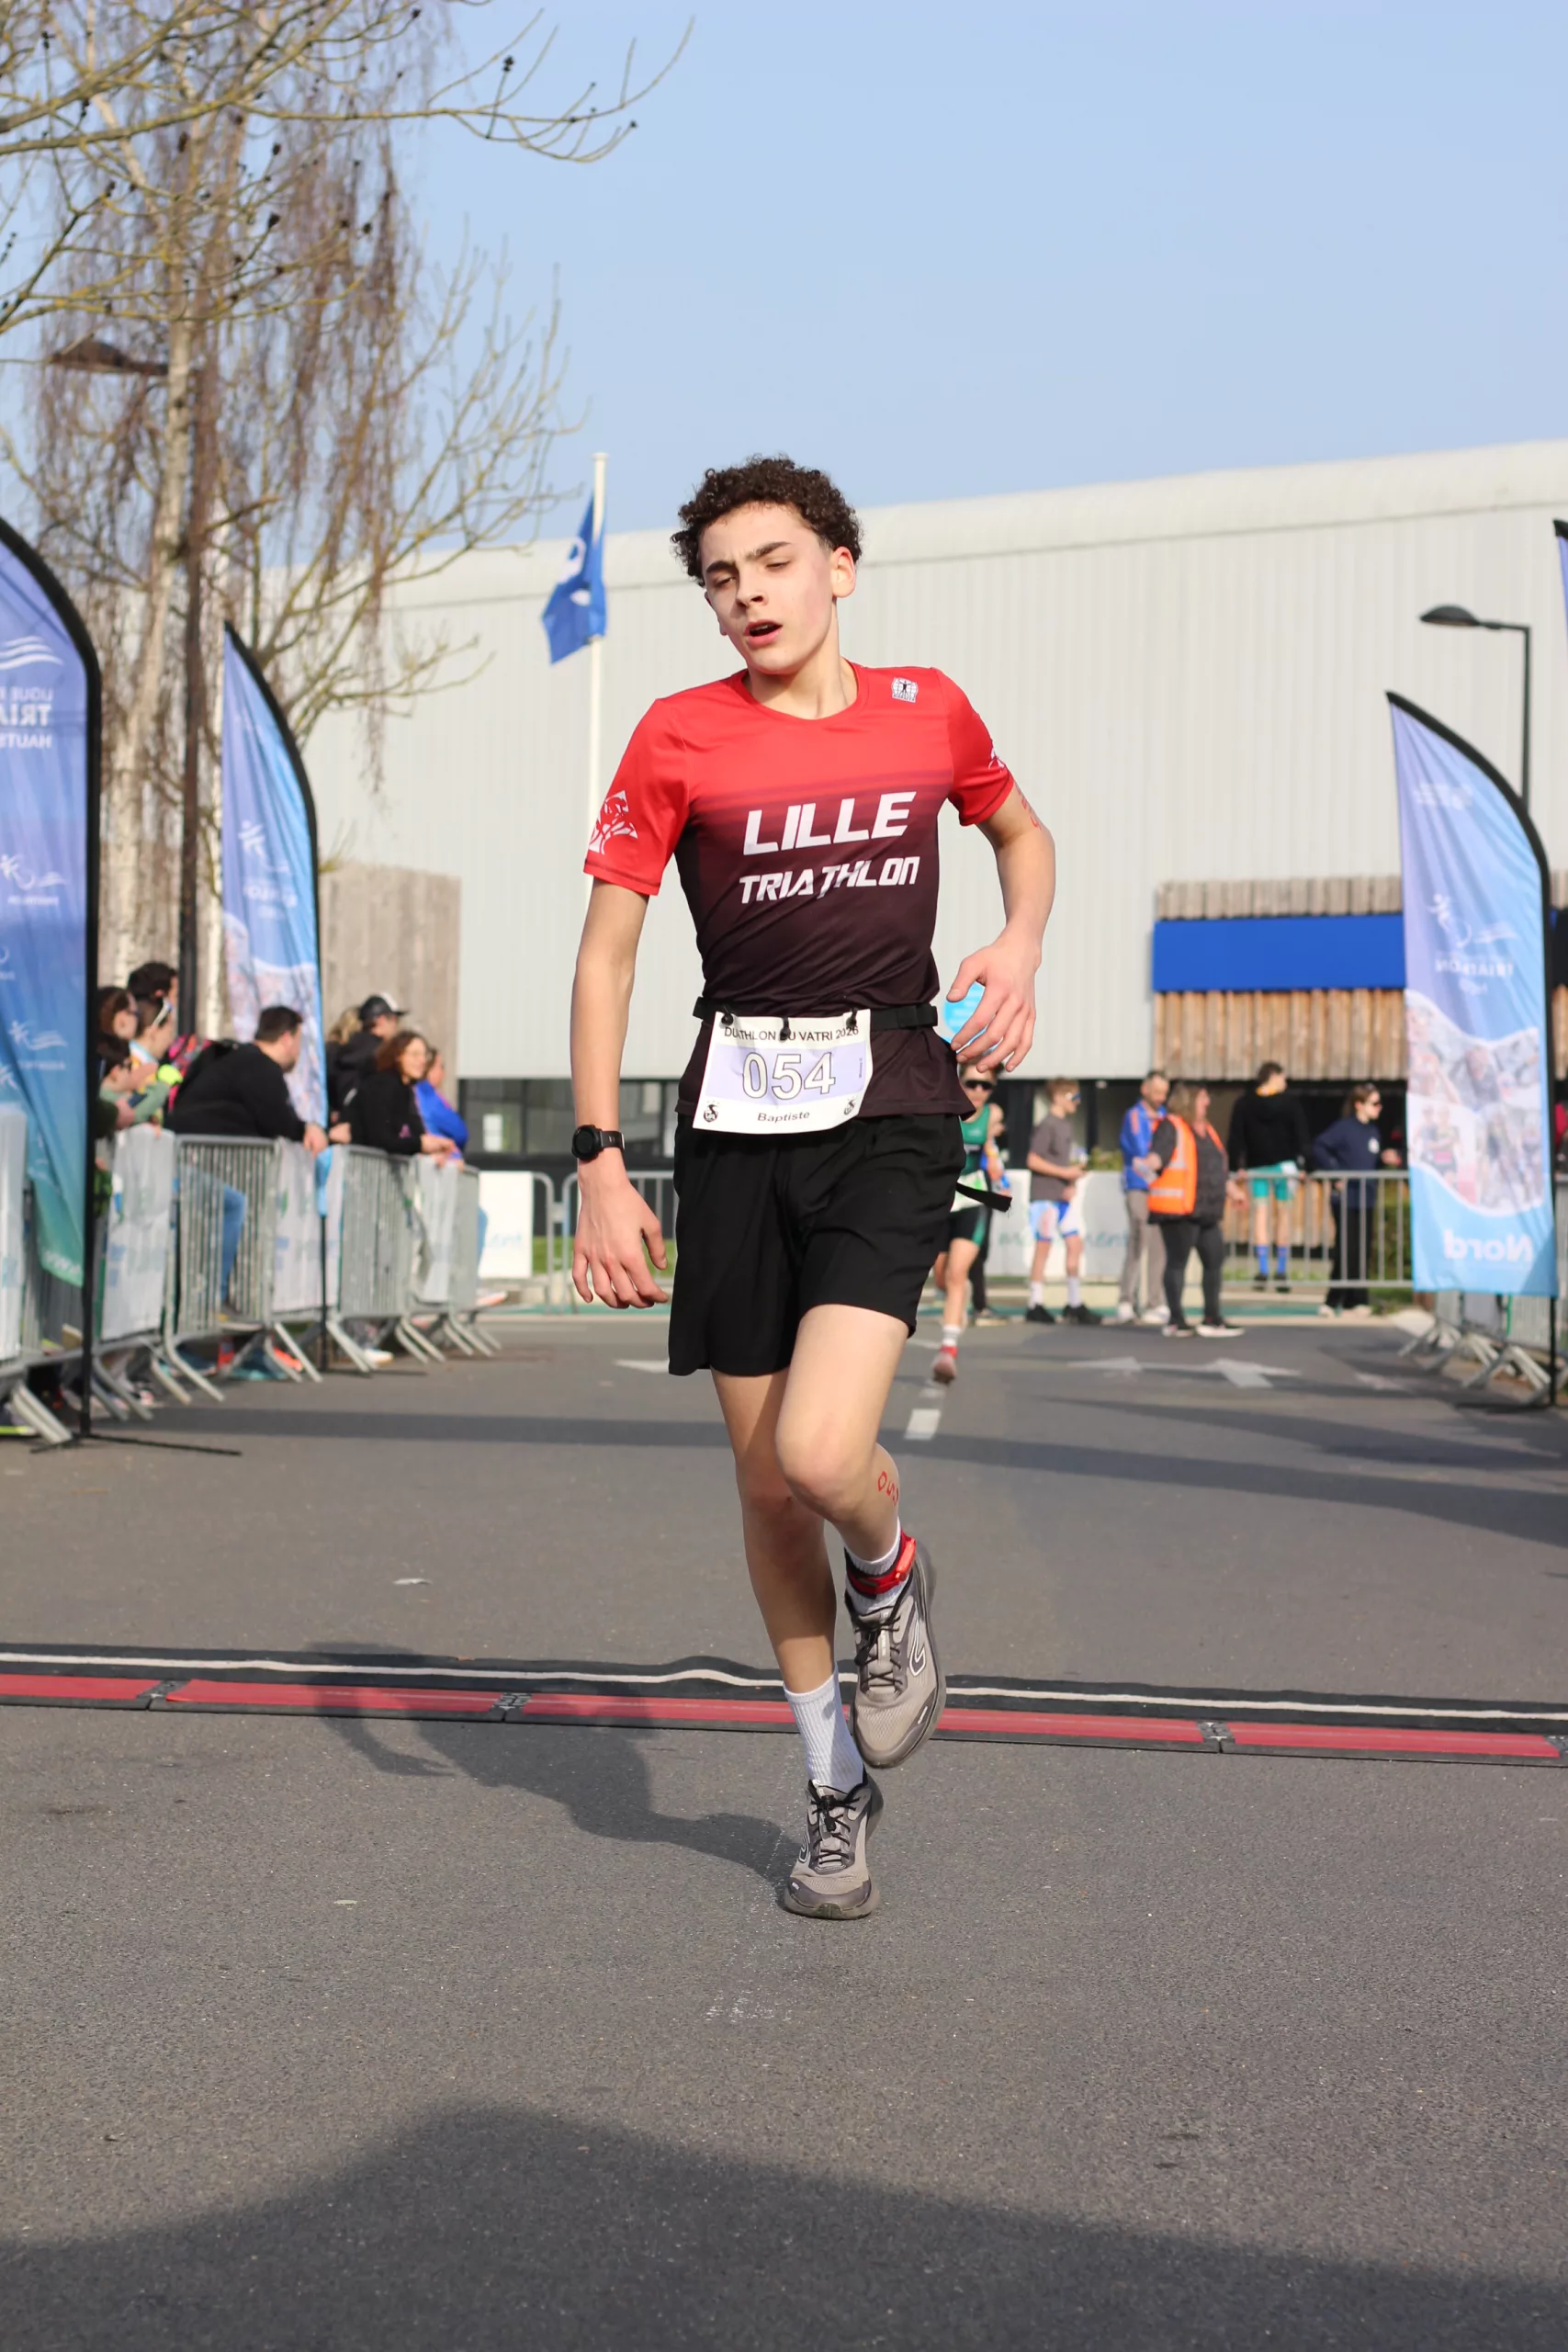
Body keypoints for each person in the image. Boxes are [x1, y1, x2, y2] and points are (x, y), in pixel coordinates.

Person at [570, 455, 1054, 1921]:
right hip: (733, 1121)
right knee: (765, 1486)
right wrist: (597, 1160)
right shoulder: (675, 735)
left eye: (772, 563)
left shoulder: (926, 710)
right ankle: (833, 1787)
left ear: (838, 567)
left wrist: (1016, 940)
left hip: (890, 1102)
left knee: (824, 1453)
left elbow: (1020, 834)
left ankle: (889, 1580)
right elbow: (605, 956)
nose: (746, 596)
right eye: (720, 578)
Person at [930, 1069, 1005, 1382]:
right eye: (971, 1083)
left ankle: (948, 1350)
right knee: (942, 1278)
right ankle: (957, 1303)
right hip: (941, 1199)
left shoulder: (992, 1115)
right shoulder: (944, 1108)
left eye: (985, 1085)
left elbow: (989, 1148)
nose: (978, 1090)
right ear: (958, 1083)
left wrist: (999, 1175)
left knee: (957, 1273)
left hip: (973, 1199)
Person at [1312, 1082, 1400, 1317]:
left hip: (1366, 1198)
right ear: (1359, 1105)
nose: (1379, 1108)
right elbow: (1320, 1147)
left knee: (1362, 1250)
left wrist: (1384, 1159)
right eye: (1374, 1103)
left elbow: (1368, 1162)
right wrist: (1335, 1173)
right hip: (1347, 1199)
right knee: (1346, 1249)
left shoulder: (1373, 1131)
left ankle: (1356, 1300)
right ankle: (1333, 1300)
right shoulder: (1344, 1128)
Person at [1227, 1060, 1310, 1293]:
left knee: (1260, 1215)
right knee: (1284, 1215)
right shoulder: (1290, 1103)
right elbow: (1301, 1134)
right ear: (1273, 1076)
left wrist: (1235, 1165)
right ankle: (1281, 1269)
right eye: (1283, 1078)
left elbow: (1236, 1137)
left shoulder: (1244, 1103)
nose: (1285, 1083)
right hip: (1284, 1167)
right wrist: (1306, 1163)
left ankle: (1263, 1269)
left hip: (1257, 1167)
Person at [1025, 1079, 1100, 1326]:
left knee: (1075, 1244)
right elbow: (1033, 1160)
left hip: (1060, 1197)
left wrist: (1070, 1181)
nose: (1077, 1102)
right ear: (1058, 1097)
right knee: (1043, 1248)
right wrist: (1065, 1173)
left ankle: (1074, 1302)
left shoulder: (1066, 1125)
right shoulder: (1047, 1125)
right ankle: (1035, 1303)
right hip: (1044, 1197)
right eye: (1072, 1097)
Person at [348, 1030, 456, 1159]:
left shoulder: (406, 1089)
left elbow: (417, 1131)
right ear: (398, 1056)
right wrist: (420, 1145)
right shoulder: (382, 1084)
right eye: (415, 1054)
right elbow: (381, 1139)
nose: (422, 1060)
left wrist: (437, 1146)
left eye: (424, 1055)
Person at [1115, 1070, 1169, 1325]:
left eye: (1164, 1093)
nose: (1161, 1097)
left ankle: (1155, 1302)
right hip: (1138, 1184)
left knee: (1158, 1244)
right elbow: (1140, 1148)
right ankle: (1127, 1299)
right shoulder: (1134, 1115)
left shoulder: (1165, 1116)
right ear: (1145, 1090)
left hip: (1160, 1187)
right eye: (1157, 1092)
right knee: (1138, 1239)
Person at [328, 993, 404, 1120]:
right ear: (381, 1020)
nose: (396, 1027)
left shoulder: (346, 1048)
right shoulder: (381, 1054)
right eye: (395, 1020)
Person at [415, 1046, 469, 1156]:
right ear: (429, 1069)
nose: (443, 1072)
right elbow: (460, 1133)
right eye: (441, 1067)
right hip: (438, 1161)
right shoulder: (429, 1097)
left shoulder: (416, 1093)